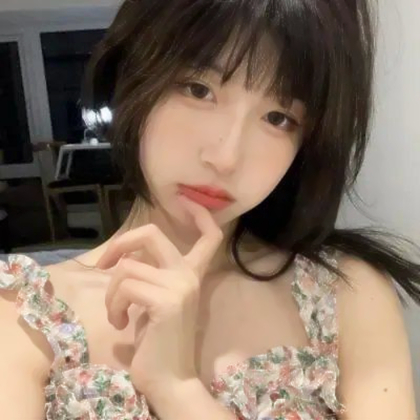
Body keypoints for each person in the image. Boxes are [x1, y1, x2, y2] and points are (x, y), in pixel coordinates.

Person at [1, 0, 419, 419]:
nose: (225, 158)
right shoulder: (24, 316)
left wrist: (176, 389)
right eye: (198, 89)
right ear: (130, 75)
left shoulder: (345, 296)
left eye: (278, 118)